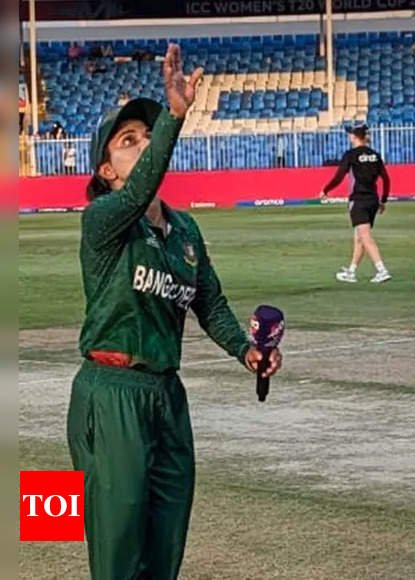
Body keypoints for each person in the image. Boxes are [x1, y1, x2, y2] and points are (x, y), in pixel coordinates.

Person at [68, 44, 283, 580]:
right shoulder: (102, 219)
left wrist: (246, 351)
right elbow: (140, 189)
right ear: (107, 171)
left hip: (166, 395)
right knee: (118, 552)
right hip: (111, 393)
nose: (143, 144)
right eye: (128, 141)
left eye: (148, 135)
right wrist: (174, 117)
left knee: (166, 545)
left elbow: (209, 302)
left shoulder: (184, 229)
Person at [319, 121, 392, 284]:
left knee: (365, 236)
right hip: (372, 199)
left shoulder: (351, 155)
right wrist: (383, 200)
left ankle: (381, 269)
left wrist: (326, 189)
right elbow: (386, 179)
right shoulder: (375, 155)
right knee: (359, 237)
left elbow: (339, 176)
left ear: (354, 136)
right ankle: (351, 272)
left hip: (358, 199)